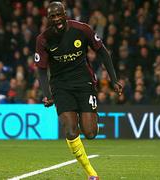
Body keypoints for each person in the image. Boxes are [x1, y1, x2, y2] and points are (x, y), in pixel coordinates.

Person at [35, 2, 122, 180]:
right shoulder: (43, 39)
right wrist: (47, 94)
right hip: (61, 87)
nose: (57, 19)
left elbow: (103, 52)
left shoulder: (82, 30)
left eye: (59, 15)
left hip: (84, 83)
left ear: (65, 14)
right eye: (53, 16)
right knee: (71, 130)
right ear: (48, 18)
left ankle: (92, 119)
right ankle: (91, 173)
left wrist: (114, 80)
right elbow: (42, 70)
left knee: (90, 133)